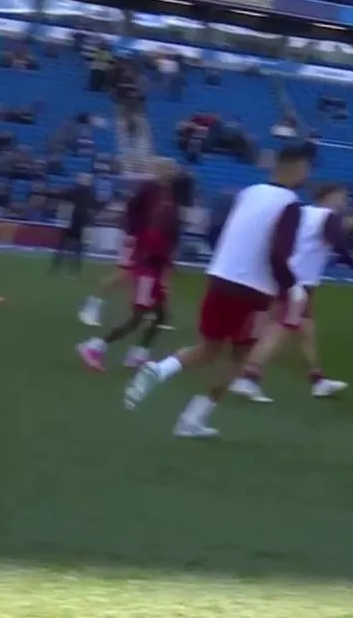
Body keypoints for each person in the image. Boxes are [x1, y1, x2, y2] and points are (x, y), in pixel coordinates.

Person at [122, 143, 313, 438]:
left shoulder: (248, 192)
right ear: (298, 167)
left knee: (207, 349)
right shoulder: (290, 204)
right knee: (239, 359)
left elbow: (219, 229)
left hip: (220, 278)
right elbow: (278, 255)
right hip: (252, 291)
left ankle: (160, 369)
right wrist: (292, 287)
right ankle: (192, 419)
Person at [228, 183, 353, 403]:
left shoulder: (303, 212)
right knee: (281, 329)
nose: (343, 203)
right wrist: (352, 262)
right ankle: (248, 376)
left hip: (289, 276)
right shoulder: (328, 216)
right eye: (341, 197)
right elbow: (338, 242)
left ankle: (317, 380)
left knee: (306, 331)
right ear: (328, 196)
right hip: (299, 283)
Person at [76, 184, 178, 371]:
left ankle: (138, 353)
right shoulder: (154, 231)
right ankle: (94, 347)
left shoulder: (155, 229)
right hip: (148, 277)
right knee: (137, 319)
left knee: (160, 316)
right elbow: (157, 256)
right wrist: (164, 275)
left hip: (151, 276)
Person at [78, 160, 177, 327]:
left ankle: (154, 314)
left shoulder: (168, 191)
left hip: (152, 242)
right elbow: (132, 210)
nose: (170, 172)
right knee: (122, 275)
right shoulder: (148, 188)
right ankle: (91, 306)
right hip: (138, 239)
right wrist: (131, 233)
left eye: (172, 170)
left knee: (154, 278)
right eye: (167, 169)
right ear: (158, 169)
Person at [50, 173, 96, 276]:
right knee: (78, 249)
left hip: (74, 221)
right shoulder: (91, 193)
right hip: (83, 223)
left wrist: (57, 192)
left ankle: (55, 268)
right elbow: (94, 205)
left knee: (63, 245)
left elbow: (64, 195)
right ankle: (75, 271)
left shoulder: (76, 191)